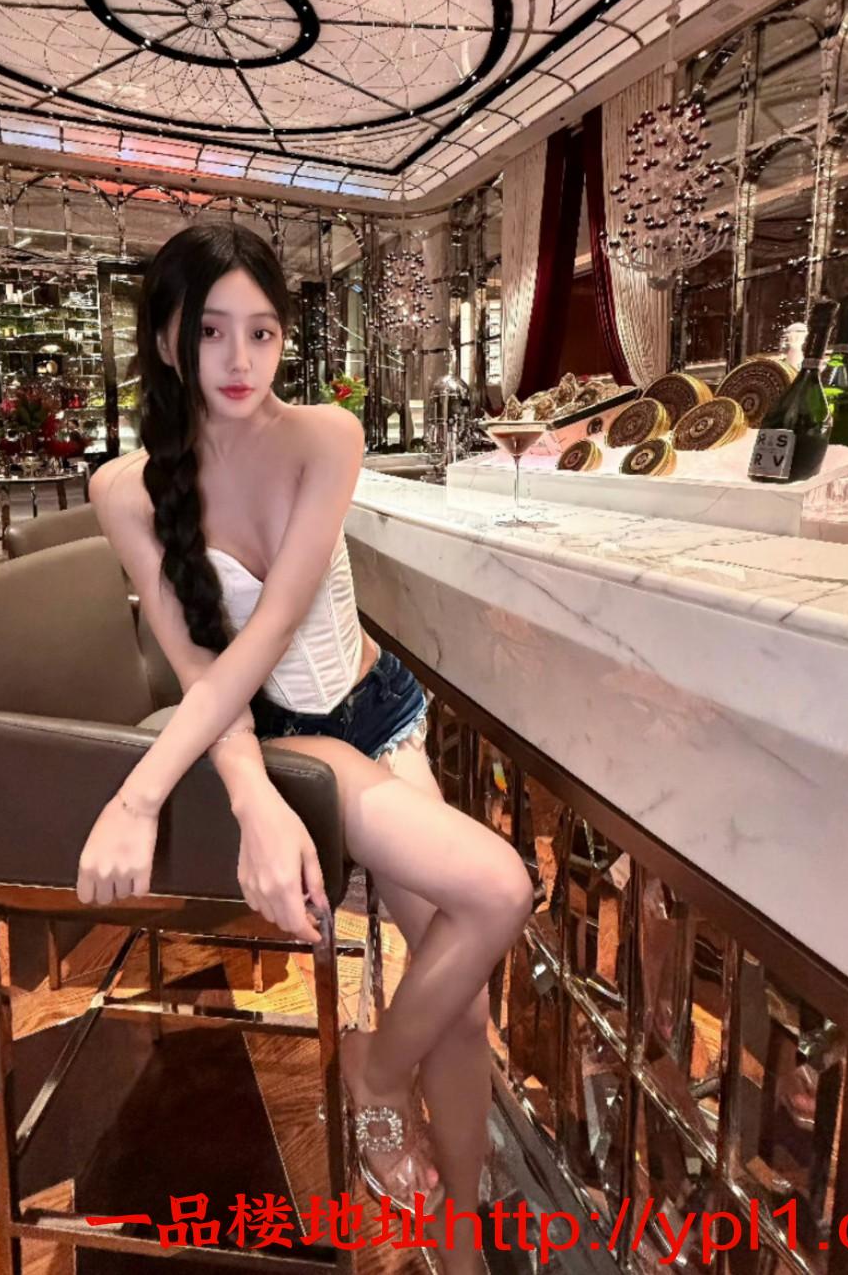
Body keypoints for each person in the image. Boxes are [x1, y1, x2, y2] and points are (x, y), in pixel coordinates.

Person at [78, 224, 531, 1274]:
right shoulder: (124, 489)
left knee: (464, 1000)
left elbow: (276, 625)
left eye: (263, 332)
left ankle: (448, 1218)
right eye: (212, 332)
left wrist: (139, 794)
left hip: (378, 715)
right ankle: (384, 1093)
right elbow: (205, 670)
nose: (240, 360)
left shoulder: (329, 434)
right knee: (497, 888)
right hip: (285, 743)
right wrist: (250, 798)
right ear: (165, 339)